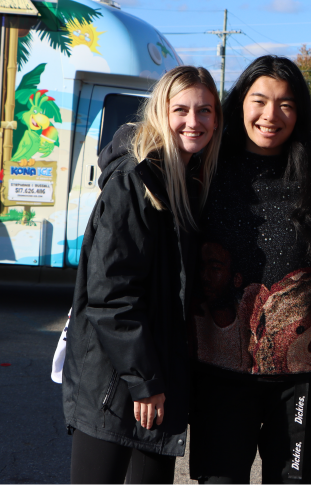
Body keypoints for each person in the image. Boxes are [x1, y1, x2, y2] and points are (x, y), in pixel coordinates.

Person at [62, 66, 222, 485]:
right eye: (181, 110)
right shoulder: (135, 180)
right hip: (118, 383)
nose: (193, 121)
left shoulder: (186, 180)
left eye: (205, 110)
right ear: (160, 113)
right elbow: (111, 294)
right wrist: (144, 381)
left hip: (156, 380)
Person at [188, 55, 311, 485]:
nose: (271, 115)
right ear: (239, 103)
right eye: (259, 100)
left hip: (301, 376)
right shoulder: (205, 169)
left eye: (285, 104)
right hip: (219, 371)